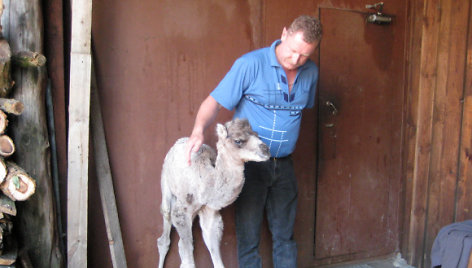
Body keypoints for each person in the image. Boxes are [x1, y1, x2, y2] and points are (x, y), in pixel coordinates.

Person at [186, 15, 322, 268]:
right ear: (284, 34)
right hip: (250, 167)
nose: (296, 60)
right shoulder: (250, 64)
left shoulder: (311, 72)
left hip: (284, 164)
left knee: (285, 235)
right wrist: (198, 130)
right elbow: (213, 102)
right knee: (248, 237)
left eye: (304, 55)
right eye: (293, 51)